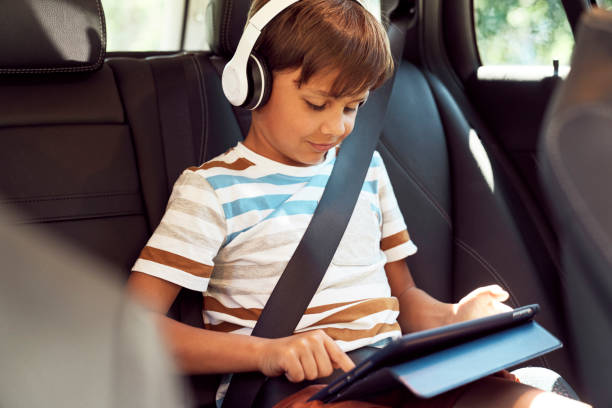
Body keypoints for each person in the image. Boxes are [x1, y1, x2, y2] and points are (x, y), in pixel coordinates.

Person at [126, 0, 589, 407]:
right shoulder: (212, 191)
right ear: (253, 81)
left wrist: (454, 319)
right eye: (316, 103)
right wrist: (269, 351)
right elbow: (136, 329)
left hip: (397, 380)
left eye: (352, 107)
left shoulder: (364, 170)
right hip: (296, 392)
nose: (336, 129)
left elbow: (402, 296)